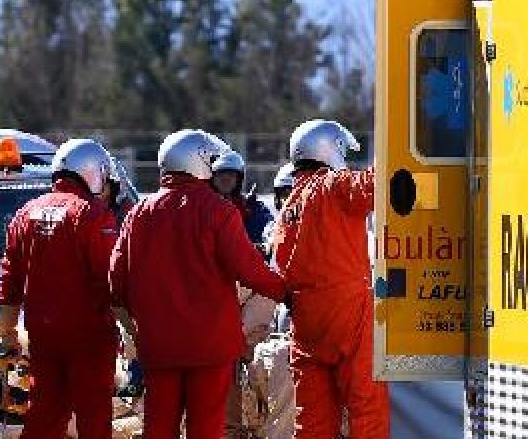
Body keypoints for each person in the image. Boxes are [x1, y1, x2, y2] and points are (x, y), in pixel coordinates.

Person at [110, 129, 286, 439]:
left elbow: (116, 280)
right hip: (210, 349)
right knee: (205, 430)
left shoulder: (138, 214)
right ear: (199, 161)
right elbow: (250, 270)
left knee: (158, 429)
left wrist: (136, 328)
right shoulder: (219, 211)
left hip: (159, 347)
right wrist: (288, 294)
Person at [268, 119, 385, 439]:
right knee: (366, 406)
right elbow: (376, 184)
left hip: (305, 322)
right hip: (347, 312)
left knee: (312, 420)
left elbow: (279, 268)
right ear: (330, 149)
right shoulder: (332, 185)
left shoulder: (288, 206)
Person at [0, 139, 120, 439]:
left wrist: (7, 333)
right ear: (92, 172)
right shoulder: (92, 214)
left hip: (42, 336)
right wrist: (133, 329)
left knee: (44, 416)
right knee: (94, 421)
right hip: (89, 337)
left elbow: (10, 279)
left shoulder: (25, 213)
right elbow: (113, 280)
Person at [211, 150, 275, 246]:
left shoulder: (252, 208)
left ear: (239, 179)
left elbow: (268, 231)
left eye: (231, 175)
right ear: (213, 178)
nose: (225, 179)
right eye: (220, 174)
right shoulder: (204, 208)